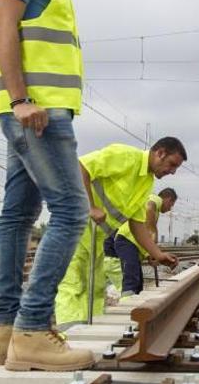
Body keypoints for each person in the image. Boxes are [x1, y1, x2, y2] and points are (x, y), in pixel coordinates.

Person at [0, 0, 93, 372]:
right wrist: (21, 99)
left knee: (17, 215)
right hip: (36, 112)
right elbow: (3, 25)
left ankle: (5, 333)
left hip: (36, 110)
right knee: (72, 211)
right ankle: (31, 329)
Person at [54, 138, 186, 327]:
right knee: (73, 284)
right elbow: (81, 166)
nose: (172, 171)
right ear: (160, 153)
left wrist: (157, 254)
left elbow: (137, 224)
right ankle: (69, 336)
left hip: (95, 239)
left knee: (94, 287)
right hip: (74, 227)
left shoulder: (146, 183)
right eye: (172, 165)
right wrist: (90, 206)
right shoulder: (125, 155)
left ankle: (89, 334)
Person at [114, 188, 178, 296]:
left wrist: (150, 255)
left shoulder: (156, 211)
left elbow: (146, 236)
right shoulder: (156, 200)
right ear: (168, 199)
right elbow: (149, 206)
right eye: (171, 205)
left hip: (134, 244)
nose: (169, 209)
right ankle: (126, 306)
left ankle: (134, 306)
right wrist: (153, 231)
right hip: (127, 240)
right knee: (131, 279)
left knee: (138, 283)